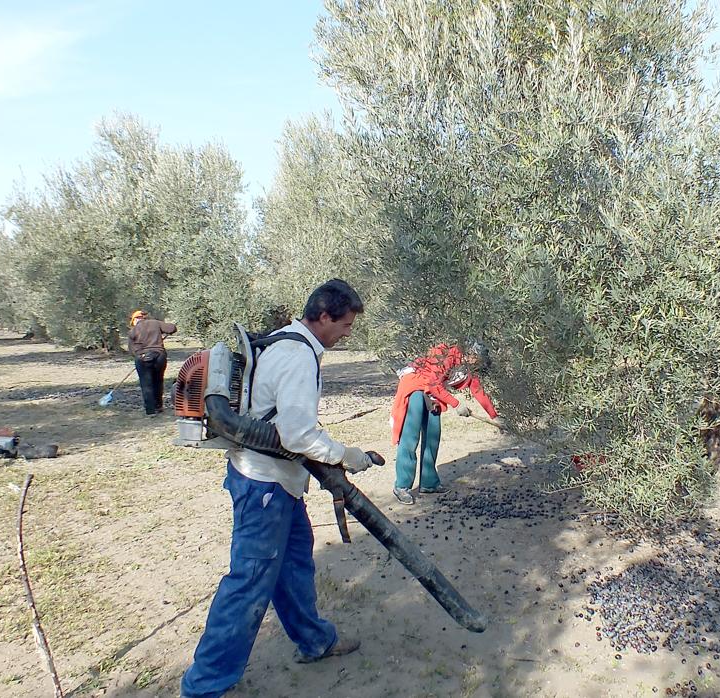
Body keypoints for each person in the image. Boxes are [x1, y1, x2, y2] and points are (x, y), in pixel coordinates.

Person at [181, 278, 377, 698]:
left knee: (293, 567)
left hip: (275, 483)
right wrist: (347, 454)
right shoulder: (298, 356)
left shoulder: (285, 342)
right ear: (324, 316)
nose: (346, 334)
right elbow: (298, 435)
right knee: (248, 582)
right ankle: (204, 687)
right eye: (345, 325)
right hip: (263, 487)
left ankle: (314, 641)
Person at [389, 341, 499, 505]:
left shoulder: (468, 367)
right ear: (472, 355)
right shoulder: (447, 353)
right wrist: (457, 404)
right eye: (479, 361)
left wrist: (494, 416)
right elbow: (434, 384)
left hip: (433, 394)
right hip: (415, 387)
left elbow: (477, 390)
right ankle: (402, 486)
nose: (479, 366)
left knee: (433, 435)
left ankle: (429, 483)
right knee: (410, 438)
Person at [127, 309, 178, 416]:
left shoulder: (133, 331)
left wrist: (140, 356)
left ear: (136, 319)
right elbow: (172, 328)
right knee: (158, 381)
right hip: (159, 356)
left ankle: (150, 411)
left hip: (143, 358)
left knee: (146, 384)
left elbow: (132, 350)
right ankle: (159, 406)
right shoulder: (155, 323)